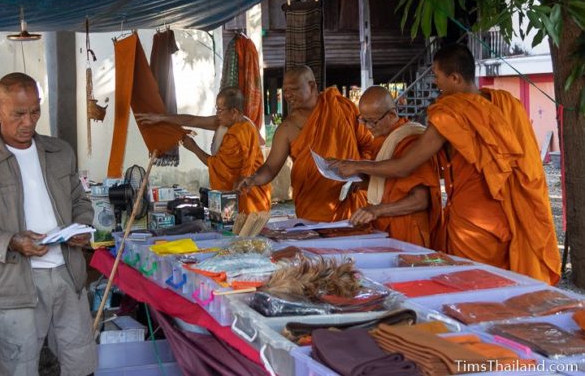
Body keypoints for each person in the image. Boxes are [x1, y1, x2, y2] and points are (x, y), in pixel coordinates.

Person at [330, 44, 561, 284]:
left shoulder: (452, 113)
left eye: (437, 76)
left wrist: (357, 166)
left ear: (455, 78)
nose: (434, 82)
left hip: (473, 217)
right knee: (500, 280)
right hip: (507, 211)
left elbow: (405, 166)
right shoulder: (506, 104)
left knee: (471, 283)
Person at [0, 73, 97, 375]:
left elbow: (80, 201)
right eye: (18, 113)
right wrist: (11, 241)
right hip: (14, 282)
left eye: (35, 111)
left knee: (80, 361)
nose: (28, 122)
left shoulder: (60, 152)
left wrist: (81, 228)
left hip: (68, 274)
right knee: (20, 367)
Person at [236, 65, 373, 222]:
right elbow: (270, 167)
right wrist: (253, 179)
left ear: (312, 86)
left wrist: (359, 173)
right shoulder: (286, 129)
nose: (288, 95)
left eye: (293, 89)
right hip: (313, 207)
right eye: (285, 90)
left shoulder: (342, 108)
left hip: (352, 201)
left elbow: (368, 145)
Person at [347, 86, 442, 248]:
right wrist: (359, 182)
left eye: (373, 121)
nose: (368, 127)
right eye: (364, 120)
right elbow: (389, 185)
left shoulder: (411, 140)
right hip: (383, 228)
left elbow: (420, 200)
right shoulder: (383, 139)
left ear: (392, 114)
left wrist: (377, 210)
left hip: (408, 230)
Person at [167, 88, 271, 213]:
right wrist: (160, 118)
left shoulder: (236, 136)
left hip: (247, 197)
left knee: (244, 230)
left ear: (234, 112)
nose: (217, 114)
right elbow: (193, 120)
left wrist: (193, 147)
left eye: (220, 110)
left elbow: (217, 165)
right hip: (249, 196)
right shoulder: (236, 123)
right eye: (217, 109)